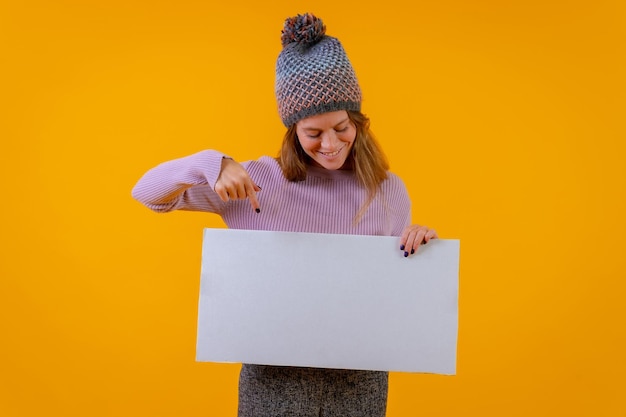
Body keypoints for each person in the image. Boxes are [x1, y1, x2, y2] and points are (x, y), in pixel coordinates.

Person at [132, 12, 437, 417]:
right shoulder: (255, 182)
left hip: (360, 384)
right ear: (293, 130)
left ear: (358, 121)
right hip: (272, 385)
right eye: (313, 133)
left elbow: (394, 295)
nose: (331, 144)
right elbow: (148, 194)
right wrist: (212, 163)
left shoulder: (388, 190)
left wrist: (419, 247)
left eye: (342, 127)